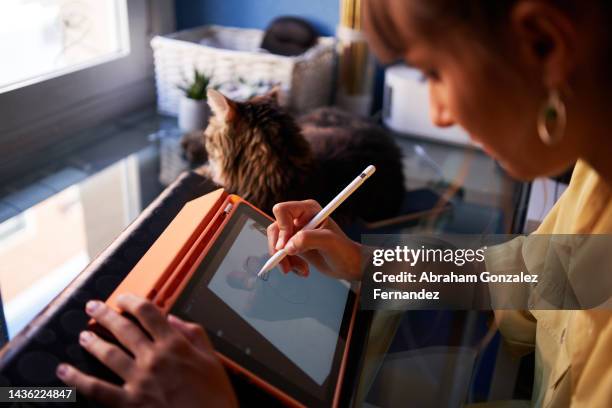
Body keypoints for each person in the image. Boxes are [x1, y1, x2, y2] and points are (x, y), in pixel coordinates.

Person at [57, 0, 612, 406]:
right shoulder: (595, 177)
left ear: (544, 44)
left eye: (434, 73)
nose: (440, 114)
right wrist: (369, 266)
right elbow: (530, 274)